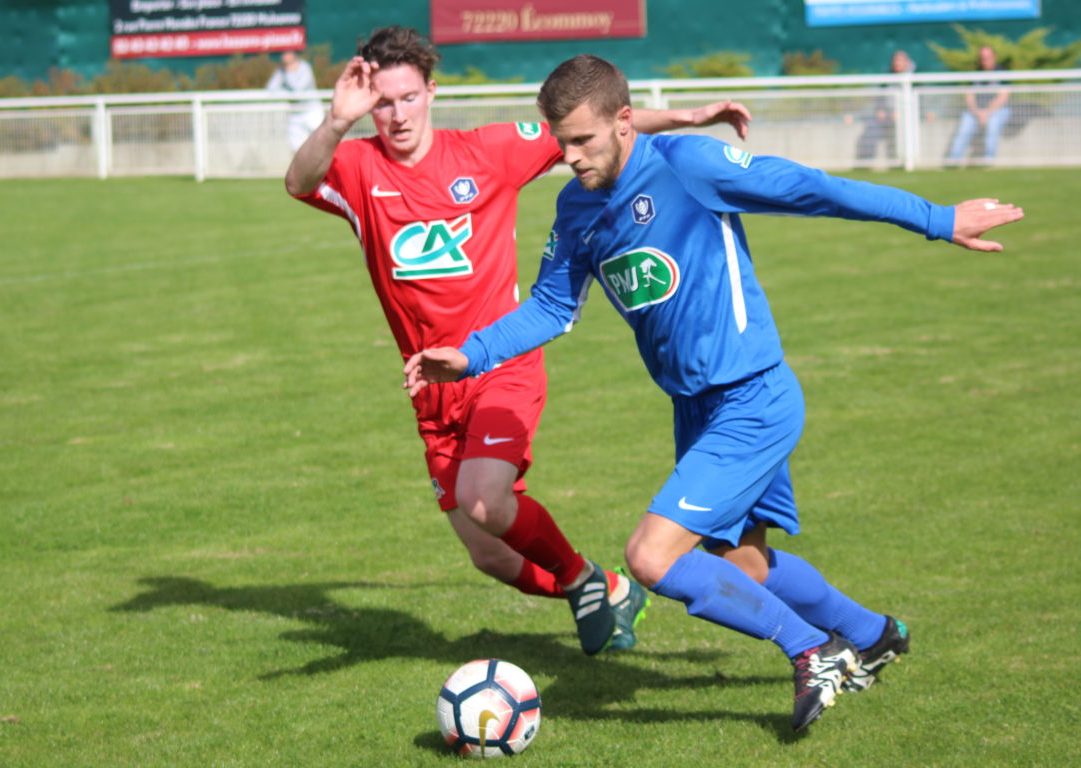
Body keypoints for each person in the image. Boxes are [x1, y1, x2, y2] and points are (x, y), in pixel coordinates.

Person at [404, 54, 1023, 731]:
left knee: (649, 558)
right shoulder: (576, 207)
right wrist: (469, 356)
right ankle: (873, 634)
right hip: (695, 409)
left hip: (753, 398)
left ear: (624, 121)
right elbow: (552, 307)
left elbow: (813, 189)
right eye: (561, 141)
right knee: (745, 566)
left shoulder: (687, 166)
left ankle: (812, 650)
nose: (570, 155)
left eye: (583, 139)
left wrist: (936, 217)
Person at [284, 27, 755, 656]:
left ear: (431, 91)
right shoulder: (358, 165)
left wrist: (690, 115)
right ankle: (603, 585)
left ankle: (585, 581)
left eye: (407, 98)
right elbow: (298, 181)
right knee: (492, 556)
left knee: (485, 500)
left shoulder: (488, 151)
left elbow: (593, 124)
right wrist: (337, 120)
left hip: (500, 362)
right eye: (382, 103)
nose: (395, 115)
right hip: (430, 385)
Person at [946, 45, 1011, 166]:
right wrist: (977, 112)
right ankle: (953, 160)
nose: (985, 60)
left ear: (994, 57)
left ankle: (988, 159)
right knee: (965, 124)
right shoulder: (975, 73)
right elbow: (969, 96)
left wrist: (986, 112)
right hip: (976, 111)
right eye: (982, 58)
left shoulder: (1002, 72)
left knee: (993, 123)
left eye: (988, 57)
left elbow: (1003, 96)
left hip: (997, 110)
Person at [854, 50, 913, 166]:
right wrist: (880, 110)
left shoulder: (915, 76)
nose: (897, 63)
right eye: (896, 61)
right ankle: (866, 162)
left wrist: (901, 112)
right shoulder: (887, 77)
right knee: (872, 128)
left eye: (900, 60)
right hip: (887, 116)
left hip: (908, 115)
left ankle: (903, 161)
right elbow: (880, 97)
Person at [267, 50, 326, 151]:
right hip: (295, 114)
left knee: (322, 142)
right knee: (296, 148)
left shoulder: (305, 68)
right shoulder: (282, 70)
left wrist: (289, 73)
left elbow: (298, 90)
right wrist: (285, 92)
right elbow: (271, 88)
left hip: (312, 110)